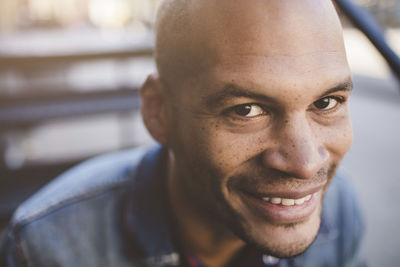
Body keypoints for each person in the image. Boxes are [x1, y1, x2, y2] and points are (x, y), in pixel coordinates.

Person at [0, 0, 365, 266]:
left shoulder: (337, 208)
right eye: (246, 110)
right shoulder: (46, 247)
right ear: (158, 111)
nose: (304, 164)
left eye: (327, 102)